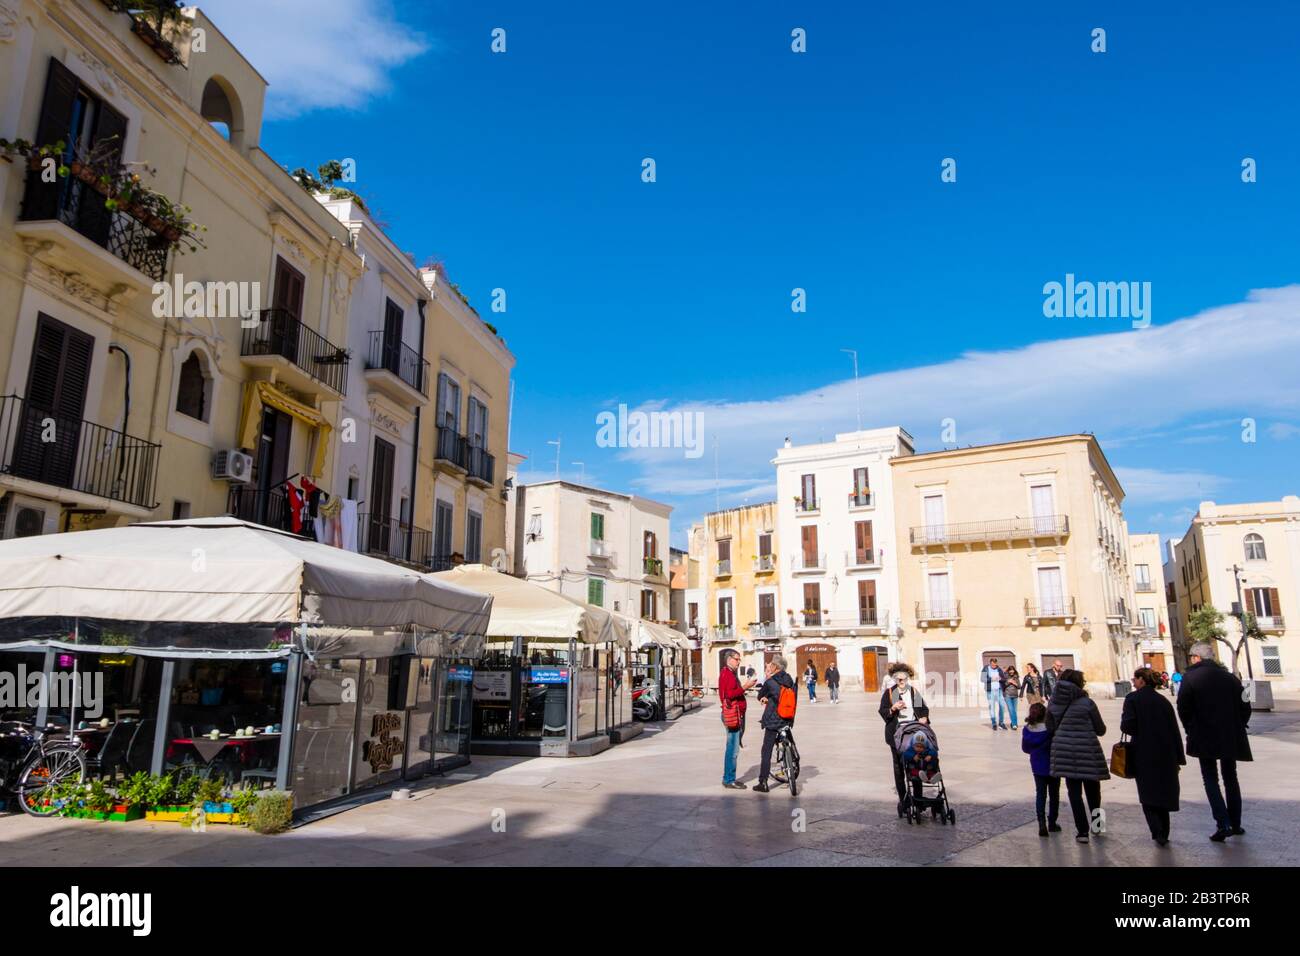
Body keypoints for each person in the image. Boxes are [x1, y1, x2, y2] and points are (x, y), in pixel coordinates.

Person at [1176, 643, 1252, 842]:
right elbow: (1246, 704)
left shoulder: (1190, 678)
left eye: (1191, 656)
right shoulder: (1232, 679)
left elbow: (1183, 707)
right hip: (1230, 735)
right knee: (1231, 778)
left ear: (1196, 658)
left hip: (1204, 735)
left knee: (1210, 779)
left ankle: (1222, 823)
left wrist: (1190, 728)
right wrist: (1238, 724)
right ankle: (1235, 823)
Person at [1121, 667, 1186, 846]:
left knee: (1147, 793)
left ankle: (1157, 831)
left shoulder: (1132, 699)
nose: (1133, 682)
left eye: (1135, 679)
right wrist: (1178, 757)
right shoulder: (1163, 701)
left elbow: (1128, 727)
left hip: (1143, 751)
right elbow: (1174, 729)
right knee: (1162, 792)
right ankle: (1164, 831)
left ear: (1142, 680)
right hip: (1165, 752)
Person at [1046, 669, 1109, 843]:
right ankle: (1098, 826)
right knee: (1094, 792)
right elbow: (1100, 729)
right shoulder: (1087, 703)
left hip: (1065, 751)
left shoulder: (1053, 703)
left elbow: (1050, 728)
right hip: (1087, 751)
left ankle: (1082, 832)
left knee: (1074, 794)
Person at [879, 663, 929, 809]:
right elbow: (883, 711)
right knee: (899, 766)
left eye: (904, 679)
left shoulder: (913, 692)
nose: (902, 682)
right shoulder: (889, 693)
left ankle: (918, 798)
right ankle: (904, 798)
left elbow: (923, 708)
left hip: (913, 731)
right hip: (896, 733)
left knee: (916, 763)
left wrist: (924, 717)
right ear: (894, 679)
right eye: (899, 679)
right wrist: (893, 708)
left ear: (908, 678)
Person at [753, 656, 796, 793]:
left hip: (773, 720)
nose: (769, 666)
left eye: (771, 664)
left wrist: (766, 696)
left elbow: (760, 695)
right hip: (787, 718)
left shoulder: (771, 682)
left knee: (766, 750)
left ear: (775, 667)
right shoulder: (790, 680)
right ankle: (793, 761)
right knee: (789, 742)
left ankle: (763, 782)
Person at [718, 649, 756, 790]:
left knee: (732, 747)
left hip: (736, 714)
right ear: (729, 659)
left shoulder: (729, 673)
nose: (739, 662)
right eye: (737, 659)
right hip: (733, 715)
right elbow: (729, 694)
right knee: (732, 750)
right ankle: (729, 779)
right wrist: (745, 686)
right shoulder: (727, 674)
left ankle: (729, 777)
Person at [1021, 702, 1060, 837]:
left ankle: (1041, 823)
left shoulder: (1027, 730)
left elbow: (1025, 749)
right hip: (1053, 765)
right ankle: (1052, 823)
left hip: (1037, 766)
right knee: (1054, 795)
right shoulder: (1050, 730)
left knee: (1040, 794)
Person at [980, 657, 1007, 729]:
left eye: (995, 665)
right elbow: (982, 679)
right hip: (990, 691)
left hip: (999, 690)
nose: (994, 666)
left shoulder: (999, 669)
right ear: (990, 663)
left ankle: (1001, 722)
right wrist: (991, 679)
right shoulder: (985, 668)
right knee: (992, 707)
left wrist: (1000, 679)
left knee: (1002, 706)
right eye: (993, 665)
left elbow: (1004, 678)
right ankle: (994, 723)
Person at [1004, 665, 1022, 730]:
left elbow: (1020, 686)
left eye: (1012, 670)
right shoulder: (1005, 677)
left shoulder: (1016, 677)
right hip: (1007, 695)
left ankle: (1013, 723)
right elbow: (1003, 685)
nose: (1011, 671)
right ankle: (1015, 724)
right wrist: (1009, 682)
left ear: (1014, 671)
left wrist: (1015, 684)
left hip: (1015, 695)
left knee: (1014, 711)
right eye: (1010, 670)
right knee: (1011, 710)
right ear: (1008, 671)